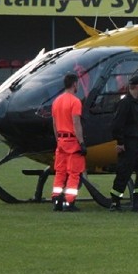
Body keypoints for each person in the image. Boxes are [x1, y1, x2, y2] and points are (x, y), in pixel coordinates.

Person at [109, 73, 138, 211]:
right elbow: (117, 125)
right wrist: (120, 142)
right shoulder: (125, 103)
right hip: (128, 144)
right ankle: (115, 202)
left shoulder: (137, 103)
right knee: (124, 173)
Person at [50, 72, 86, 212]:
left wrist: (58, 140)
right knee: (74, 173)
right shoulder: (75, 101)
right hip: (72, 141)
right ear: (75, 84)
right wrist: (81, 142)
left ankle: (56, 198)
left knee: (60, 172)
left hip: (60, 141)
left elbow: (54, 124)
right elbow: (76, 123)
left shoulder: (56, 101)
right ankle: (69, 202)